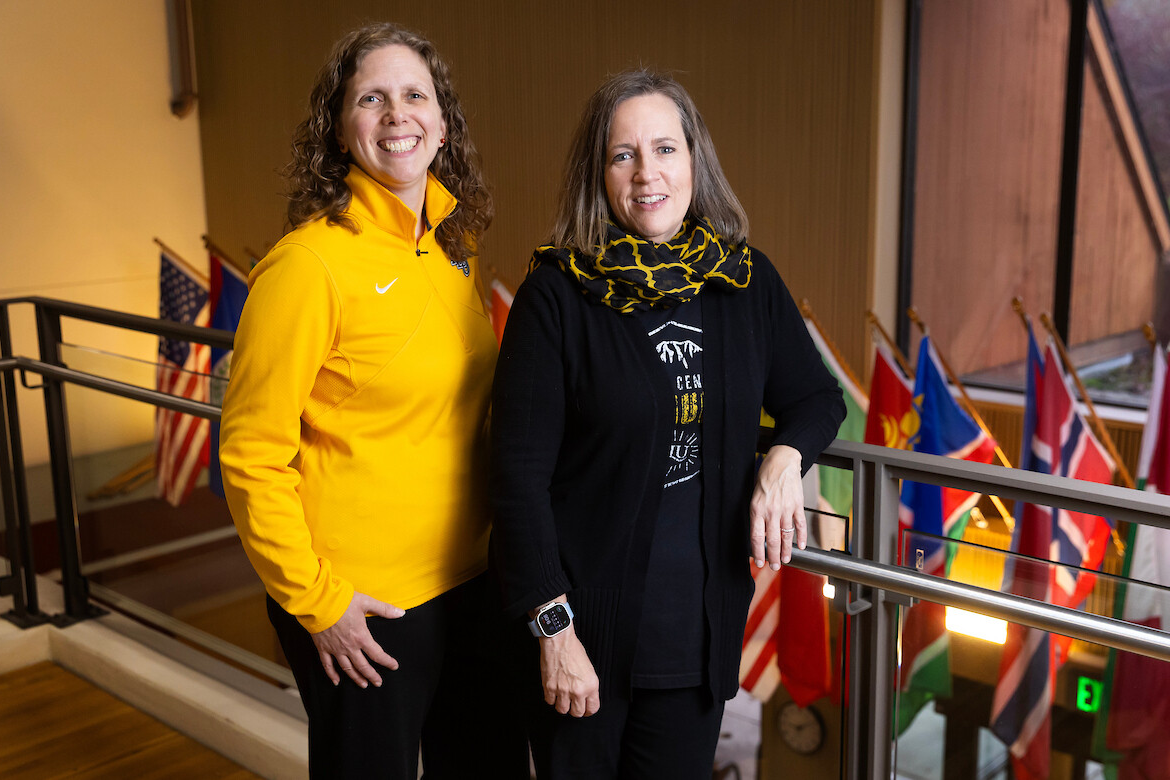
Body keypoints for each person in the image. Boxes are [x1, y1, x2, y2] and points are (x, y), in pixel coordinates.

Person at [489, 69, 847, 779]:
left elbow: (816, 397)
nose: (647, 172)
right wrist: (553, 633)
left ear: (695, 160)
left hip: (696, 639)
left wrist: (782, 461)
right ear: (600, 173)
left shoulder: (742, 281)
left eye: (665, 149)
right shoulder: (556, 296)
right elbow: (517, 482)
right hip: (580, 640)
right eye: (624, 155)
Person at [219, 23, 526, 779]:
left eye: (415, 94)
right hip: (367, 608)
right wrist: (319, 604)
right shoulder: (306, 267)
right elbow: (251, 455)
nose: (398, 114)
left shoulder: (453, 247)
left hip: (473, 583)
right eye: (371, 98)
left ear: (443, 122)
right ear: (338, 125)